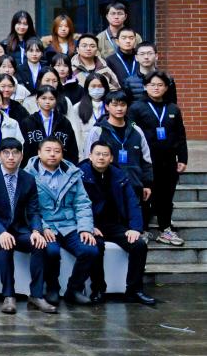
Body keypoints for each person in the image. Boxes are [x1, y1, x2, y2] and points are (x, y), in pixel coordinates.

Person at [0, 138, 55, 314]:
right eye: (6, 153)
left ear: (21, 155)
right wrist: (1, 232)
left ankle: (36, 295)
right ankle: (9, 295)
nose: (11, 157)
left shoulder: (28, 179)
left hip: (19, 229)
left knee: (39, 244)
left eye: (15, 153)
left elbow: (33, 210)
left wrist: (36, 230)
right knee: (5, 245)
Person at [79, 142, 157, 306]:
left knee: (139, 245)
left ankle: (134, 290)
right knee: (95, 246)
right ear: (90, 156)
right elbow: (75, 204)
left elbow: (132, 202)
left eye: (105, 154)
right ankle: (98, 289)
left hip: (115, 224)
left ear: (111, 158)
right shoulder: (80, 174)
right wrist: (87, 226)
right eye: (97, 154)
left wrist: (135, 228)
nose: (101, 157)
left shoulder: (119, 175)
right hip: (91, 224)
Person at [27, 136, 98, 307]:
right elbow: (28, 208)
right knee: (51, 251)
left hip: (69, 225)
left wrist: (85, 228)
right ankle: (52, 287)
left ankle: (74, 289)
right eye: (48, 150)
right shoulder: (28, 175)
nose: (52, 154)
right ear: (39, 153)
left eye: (57, 151)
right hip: (46, 225)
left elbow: (82, 203)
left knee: (90, 250)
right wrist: (42, 228)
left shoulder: (72, 173)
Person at [130, 72, 188, 245]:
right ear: (145, 86)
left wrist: (182, 158)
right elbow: (132, 134)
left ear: (166, 88)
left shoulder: (173, 109)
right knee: (145, 196)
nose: (156, 88)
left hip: (168, 161)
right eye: (152, 84)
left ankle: (165, 229)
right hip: (146, 162)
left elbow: (181, 135)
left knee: (166, 196)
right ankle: (143, 229)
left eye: (160, 85)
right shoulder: (136, 108)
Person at [84, 91, 154, 228]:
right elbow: (89, 157)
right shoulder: (97, 131)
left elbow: (146, 159)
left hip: (133, 183)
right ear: (107, 107)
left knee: (134, 219)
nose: (119, 108)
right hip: (106, 185)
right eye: (115, 105)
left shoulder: (136, 130)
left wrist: (147, 183)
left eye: (123, 105)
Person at [20, 87, 79, 164]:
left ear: (56, 100)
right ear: (37, 99)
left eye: (51, 99)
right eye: (43, 98)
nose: (47, 102)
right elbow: (24, 148)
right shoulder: (28, 122)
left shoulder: (64, 122)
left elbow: (72, 149)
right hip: (34, 167)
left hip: (60, 166)